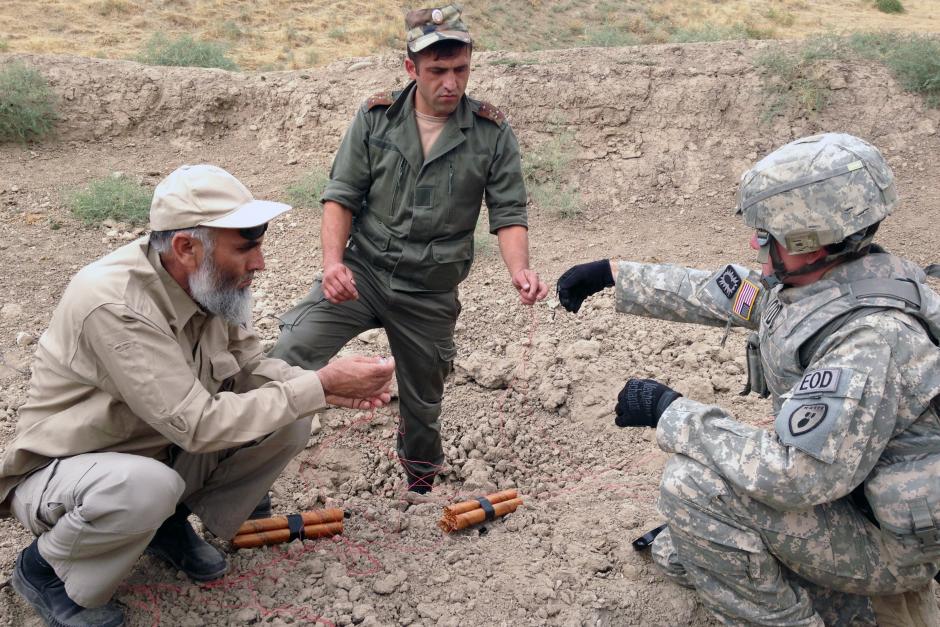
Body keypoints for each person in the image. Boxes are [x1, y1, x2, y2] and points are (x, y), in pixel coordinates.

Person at [557, 133, 940, 625]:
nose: (755, 243)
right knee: (683, 549)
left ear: (806, 239)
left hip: (890, 548)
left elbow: (795, 474)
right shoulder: (830, 280)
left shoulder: (869, 340)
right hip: (853, 500)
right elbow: (729, 294)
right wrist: (614, 274)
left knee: (693, 490)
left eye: (765, 234)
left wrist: (668, 409)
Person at [0, 164, 396, 627]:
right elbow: (198, 424)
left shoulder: (206, 283)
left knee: (290, 414)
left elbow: (250, 368)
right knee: (148, 487)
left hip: (154, 452)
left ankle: (166, 524)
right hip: (71, 473)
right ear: (187, 247)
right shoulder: (115, 303)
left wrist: (325, 387)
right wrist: (321, 385)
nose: (260, 263)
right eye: (245, 248)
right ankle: (45, 570)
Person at [269, 5, 548, 494]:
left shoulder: (491, 132)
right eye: (437, 71)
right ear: (411, 68)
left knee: (423, 403)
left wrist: (519, 270)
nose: (451, 83)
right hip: (362, 274)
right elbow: (341, 196)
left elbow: (508, 212)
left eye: (460, 69)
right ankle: (250, 479)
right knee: (289, 354)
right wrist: (332, 264)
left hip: (429, 290)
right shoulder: (376, 118)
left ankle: (420, 486)